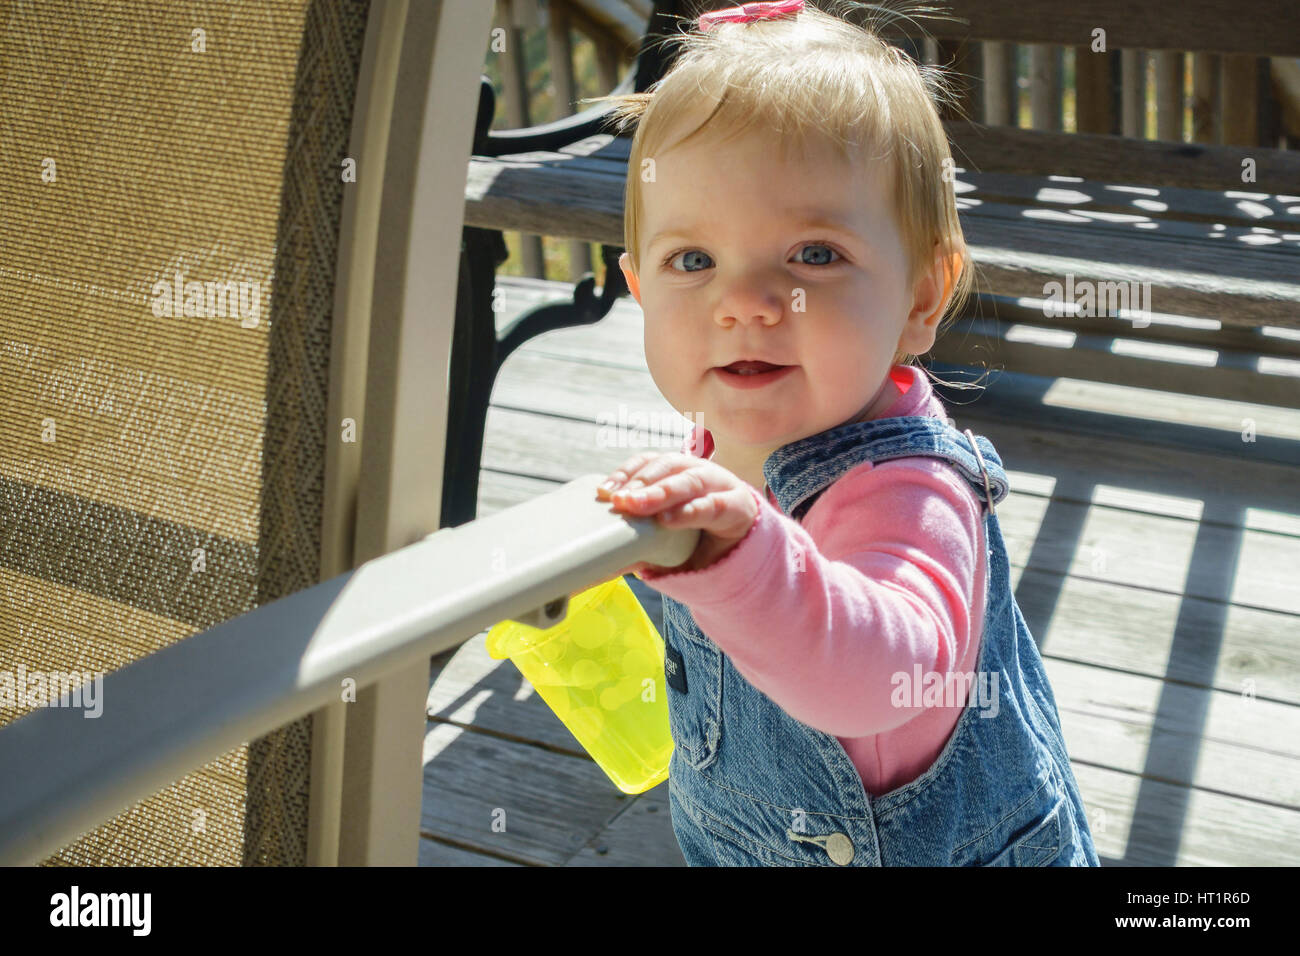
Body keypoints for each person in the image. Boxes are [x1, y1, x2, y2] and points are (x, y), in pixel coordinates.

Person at [587, 0, 1100, 866]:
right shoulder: (715, 454)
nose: (744, 301)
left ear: (922, 297)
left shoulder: (909, 488)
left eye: (813, 255)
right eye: (693, 260)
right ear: (640, 288)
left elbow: (876, 679)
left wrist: (736, 559)